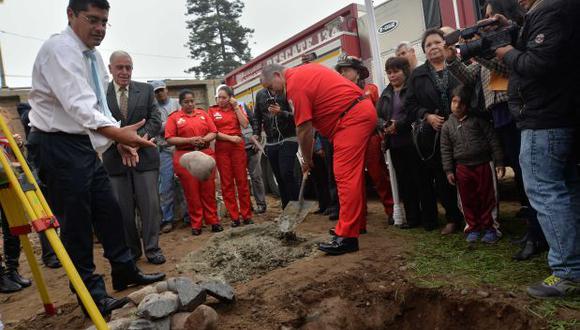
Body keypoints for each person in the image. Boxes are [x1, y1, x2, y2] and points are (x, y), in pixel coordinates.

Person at [27, 0, 165, 315]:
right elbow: (78, 106)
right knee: (77, 224)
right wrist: (119, 135)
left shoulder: (91, 57)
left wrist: (117, 141)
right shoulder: (60, 50)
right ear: (71, 15)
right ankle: (91, 294)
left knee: (109, 210)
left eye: (104, 22)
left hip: (83, 144)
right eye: (93, 20)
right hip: (55, 144)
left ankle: (125, 270)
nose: (100, 28)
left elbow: (98, 106)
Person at [495, 0, 580, 298]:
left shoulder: (551, 9)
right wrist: (510, 33)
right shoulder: (558, 11)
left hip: (543, 118)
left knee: (545, 191)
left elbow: (539, 63)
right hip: (558, 115)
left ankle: (568, 271)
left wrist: (507, 53)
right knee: (565, 190)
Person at [260, 63, 377, 255]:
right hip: (353, 115)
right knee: (351, 176)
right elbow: (312, 124)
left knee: (344, 176)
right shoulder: (302, 74)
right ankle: (355, 225)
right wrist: (309, 155)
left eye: (269, 86)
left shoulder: (295, 85)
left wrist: (306, 159)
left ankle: (347, 237)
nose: (272, 92)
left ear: (276, 75)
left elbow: (303, 128)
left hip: (351, 119)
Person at [104, 51, 165, 265]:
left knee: (150, 206)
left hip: (144, 158)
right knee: (123, 211)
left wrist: (135, 142)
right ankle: (132, 251)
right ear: (110, 68)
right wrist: (119, 142)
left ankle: (152, 248)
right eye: (119, 67)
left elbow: (155, 120)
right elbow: (97, 126)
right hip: (114, 161)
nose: (124, 72)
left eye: (128, 67)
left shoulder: (147, 90)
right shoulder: (101, 93)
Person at [405, 28, 464, 234]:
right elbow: (410, 105)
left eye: (437, 42)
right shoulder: (417, 76)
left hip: (462, 129)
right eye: (428, 45)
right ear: (424, 51)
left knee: (467, 171)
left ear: (445, 43)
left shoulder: (459, 67)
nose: (433, 47)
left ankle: (475, 217)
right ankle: (452, 218)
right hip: (435, 135)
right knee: (442, 176)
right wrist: (427, 116)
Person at [335, 55, 393, 229]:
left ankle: (391, 209)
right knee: (354, 180)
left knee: (379, 174)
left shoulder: (371, 89)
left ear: (358, 72)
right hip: (350, 141)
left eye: (346, 70)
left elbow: (380, 113)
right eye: (341, 71)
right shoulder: (338, 93)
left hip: (371, 138)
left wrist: (382, 134)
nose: (343, 73)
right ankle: (358, 219)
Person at [440, 85, 504, 244]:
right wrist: (448, 170)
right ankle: (473, 227)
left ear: (467, 105)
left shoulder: (478, 120)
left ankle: (491, 228)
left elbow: (493, 140)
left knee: (487, 197)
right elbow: (445, 149)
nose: (457, 106)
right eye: (454, 101)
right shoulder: (447, 126)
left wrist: (499, 162)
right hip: (462, 167)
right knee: (467, 199)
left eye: (461, 103)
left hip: (483, 164)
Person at [165, 90, 223, 235]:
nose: (190, 104)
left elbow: (213, 132)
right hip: (185, 157)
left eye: (192, 101)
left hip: (205, 154)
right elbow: (170, 138)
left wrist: (204, 139)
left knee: (208, 190)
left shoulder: (203, 114)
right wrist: (189, 140)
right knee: (192, 193)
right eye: (186, 102)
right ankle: (196, 224)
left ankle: (213, 221)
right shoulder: (174, 118)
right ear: (180, 103)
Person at [377, 57, 422, 229]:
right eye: (389, 72)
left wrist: (399, 125)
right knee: (404, 183)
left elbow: (415, 112)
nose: (392, 75)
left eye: (396, 71)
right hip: (394, 144)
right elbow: (378, 115)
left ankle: (427, 218)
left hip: (413, 142)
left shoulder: (412, 89)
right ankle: (412, 219)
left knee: (420, 180)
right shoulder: (386, 93)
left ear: (404, 71)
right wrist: (384, 126)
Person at [16, 103, 61, 268]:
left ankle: (62, 251)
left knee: (63, 212)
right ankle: (50, 255)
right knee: (45, 213)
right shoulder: (25, 107)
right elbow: (26, 117)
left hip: (60, 167)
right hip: (39, 170)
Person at [209, 86, 253, 227]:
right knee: (227, 184)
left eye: (224, 97)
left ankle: (246, 215)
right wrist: (230, 138)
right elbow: (213, 131)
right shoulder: (212, 110)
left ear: (230, 98)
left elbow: (245, 124)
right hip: (222, 149)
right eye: (218, 97)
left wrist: (236, 107)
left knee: (242, 182)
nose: (220, 100)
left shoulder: (237, 107)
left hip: (237, 148)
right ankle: (234, 217)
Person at [252, 87, 299, 210]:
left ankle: (295, 205)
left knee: (286, 173)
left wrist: (281, 112)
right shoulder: (260, 94)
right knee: (278, 176)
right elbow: (256, 116)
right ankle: (286, 207)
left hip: (288, 138)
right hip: (271, 141)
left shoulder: (288, 90)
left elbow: (298, 116)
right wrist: (256, 133)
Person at [150, 80, 181, 233]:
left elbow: (183, 122)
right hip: (163, 150)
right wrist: (170, 124)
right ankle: (167, 219)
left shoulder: (176, 103)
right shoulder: (153, 107)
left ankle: (189, 217)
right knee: (166, 187)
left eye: (161, 90)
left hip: (181, 147)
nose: (159, 93)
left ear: (166, 90)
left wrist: (165, 125)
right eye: (156, 91)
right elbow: (154, 127)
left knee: (186, 182)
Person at [242, 104, 267, 214]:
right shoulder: (220, 112)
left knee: (256, 177)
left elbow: (255, 121)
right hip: (236, 151)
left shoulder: (242, 106)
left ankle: (261, 204)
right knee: (241, 180)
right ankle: (247, 206)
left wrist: (257, 137)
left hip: (251, 148)